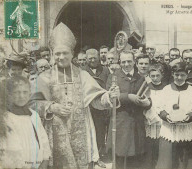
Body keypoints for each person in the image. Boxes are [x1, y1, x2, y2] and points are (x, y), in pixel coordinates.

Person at [34, 22, 120, 169]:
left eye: (65, 53)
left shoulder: (82, 75)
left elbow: (97, 100)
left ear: (72, 54)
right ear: (53, 54)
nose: (61, 57)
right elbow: (33, 103)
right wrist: (51, 107)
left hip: (81, 130)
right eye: (57, 53)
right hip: (54, 131)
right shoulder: (44, 77)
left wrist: (109, 96)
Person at [106, 50, 151, 169]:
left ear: (134, 62)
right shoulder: (113, 77)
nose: (126, 64)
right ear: (120, 62)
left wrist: (146, 102)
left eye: (129, 61)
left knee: (135, 155)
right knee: (120, 154)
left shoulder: (141, 78)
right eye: (124, 61)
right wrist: (128, 97)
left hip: (136, 122)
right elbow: (110, 95)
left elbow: (147, 98)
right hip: (121, 121)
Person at [156, 62, 192, 169]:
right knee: (167, 159)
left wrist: (190, 115)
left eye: (182, 75)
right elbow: (158, 106)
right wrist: (165, 115)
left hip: (185, 129)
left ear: (187, 75)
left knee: (184, 160)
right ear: (172, 74)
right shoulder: (166, 89)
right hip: (169, 129)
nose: (179, 77)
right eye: (177, 75)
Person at [0, 76, 51, 168]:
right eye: (16, 92)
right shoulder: (6, 117)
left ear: (30, 93)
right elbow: (12, 147)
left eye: (25, 92)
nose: (21, 96)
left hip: (37, 164)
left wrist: (45, 159)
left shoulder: (34, 115)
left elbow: (43, 139)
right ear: (9, 94)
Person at [83, 48, 110, 166]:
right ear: (86, 59)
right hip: (89, 107)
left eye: (95, 57)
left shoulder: (105, 70)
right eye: (90, 58)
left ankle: (101, 155)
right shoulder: (82, 71)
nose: (93, 60)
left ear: (99, 57)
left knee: (103, 132)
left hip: (103, 106)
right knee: (92, 132)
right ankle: (92, 157)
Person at [143, 64, 166, 169]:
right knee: (149, 145)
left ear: (162, 75)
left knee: (161, 146)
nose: (155, 78)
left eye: (158, 75)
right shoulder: (146, 88)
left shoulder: (166, 88)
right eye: (153, 76)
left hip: (162, 120)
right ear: (149, 76)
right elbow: (142, 103)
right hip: (149, 120)